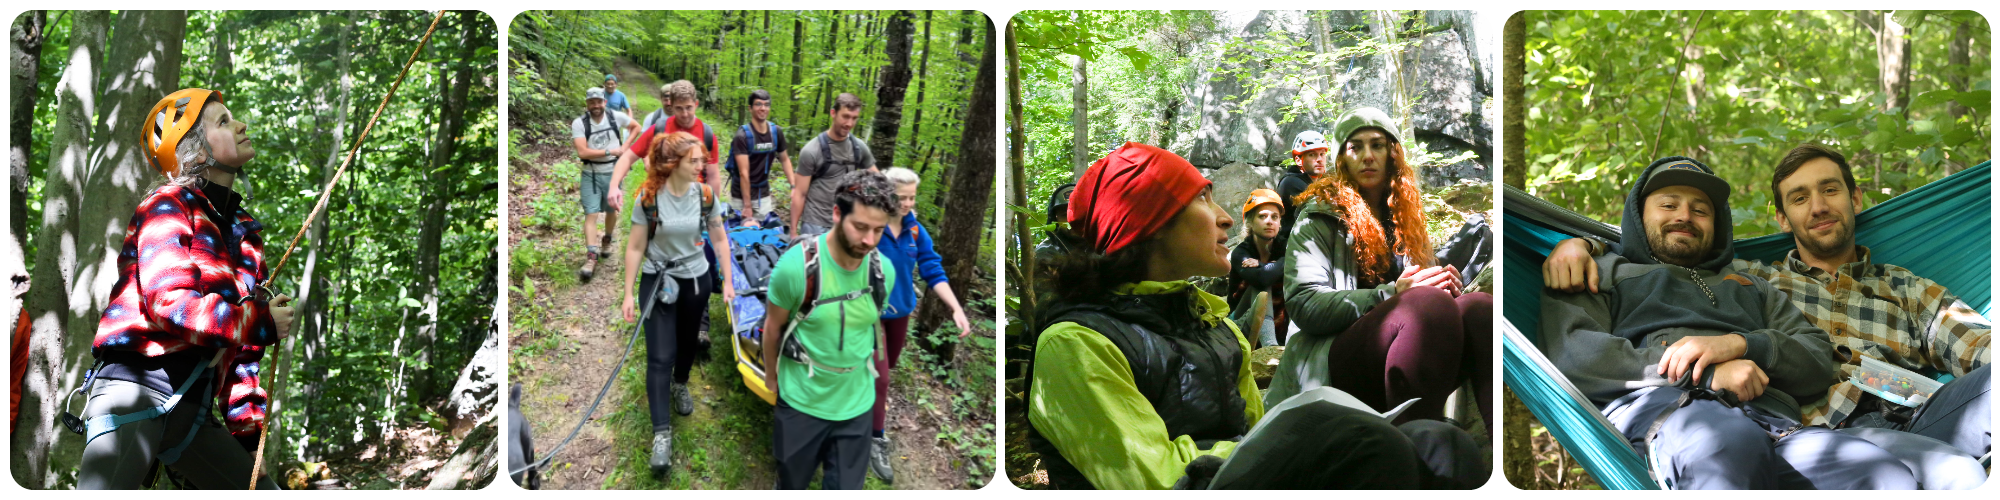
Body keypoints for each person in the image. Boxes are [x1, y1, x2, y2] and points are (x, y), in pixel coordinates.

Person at [1026, 142, 1483, 490]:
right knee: (1356, 437)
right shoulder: (1074, 344)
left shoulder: (1217, 329)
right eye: (1203, 199)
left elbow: (1254, 434)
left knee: (1440, 441)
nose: (1226, 217)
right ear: (1149, 223)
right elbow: (1155, 480)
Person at [1542, 144, 1990, 474]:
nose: (1817, 207)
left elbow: (1979, 342)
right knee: (1952, 475)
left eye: (1830, 190)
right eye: (1799, 198)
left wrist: (1738, 344)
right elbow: (1665, 250)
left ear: (1854, 199)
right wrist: (1576, 244)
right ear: (1782, 219)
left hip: (1929, 415)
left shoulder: (1908, 287)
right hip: (1831, 430)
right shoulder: (1754, 277)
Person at [78, 88, 291, 489]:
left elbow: (240, 355)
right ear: (193, 153)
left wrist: (247, 439)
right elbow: (170, 304)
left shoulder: (244, 235)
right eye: (224, 122)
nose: (241, 125)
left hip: (191, 412)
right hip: (135, 390)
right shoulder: (167, 204)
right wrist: (259, 321)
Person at [1273, 107, 1492, 432]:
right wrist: (1392, 295)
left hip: (1409, 348)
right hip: (1331, 363)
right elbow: (1304, 305)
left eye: (1376, 145)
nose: (1367, 156)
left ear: (1393, 154)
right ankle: (1416, 447)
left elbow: (1422, 295)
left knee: (1479, 309)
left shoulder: (1407, 219)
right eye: (1355, 147)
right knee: (1426, 305)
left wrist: (1443, 284)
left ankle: (1484, 444)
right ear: (1341, 159)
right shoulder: (1318, 216)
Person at [760, 170, 900, 490]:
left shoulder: (883, 272)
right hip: (801, 402)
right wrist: (771, 377)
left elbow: (867, 325)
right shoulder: (796, 268)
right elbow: (773, 328)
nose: (869, 240)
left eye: (878, 230)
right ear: (837, 214)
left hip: (856, 406)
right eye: (860, 227)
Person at [618, 131, 736, 477]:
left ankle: (680, 383)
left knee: (687, 343)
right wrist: (628, 293)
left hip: (696, 281)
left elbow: (719, 237)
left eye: (702, 159)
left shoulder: (706, 196)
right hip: (658, 281)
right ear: (672, 164)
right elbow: (636, 247)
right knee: (659, 356)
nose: (702, 165)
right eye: (694, 160)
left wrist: (727, 280)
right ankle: (661, 435)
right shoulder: (648, 198)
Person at [865, 167, 973, 483]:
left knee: (881, 372)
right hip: (868, 314)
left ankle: (860, 409)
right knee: (881, 378)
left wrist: (955, 307)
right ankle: (874, 438)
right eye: (901, 197)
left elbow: (932, 269)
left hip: (900, 316)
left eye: (912, 197)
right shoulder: (871, 224)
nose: (907, 203)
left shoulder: (915, 232)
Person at [613, 80, 727, 352]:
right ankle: (665, 314)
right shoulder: (661, 129)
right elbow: (628, 157)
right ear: (670, 106)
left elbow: (713, 175)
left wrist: (712, 207)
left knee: (701, 261)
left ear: (696, 104)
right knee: (663, 258)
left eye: (689, 108)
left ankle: (700, 324)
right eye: (679, 109)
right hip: (661, 206)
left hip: (696, 207)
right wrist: (613, 185)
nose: (685, 114)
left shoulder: (707, 134)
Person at [571, 86, 638, 282]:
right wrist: (610, 151)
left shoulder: (615, 116)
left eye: (599, 102)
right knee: (591, 214)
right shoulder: (580, 123)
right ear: (587, 104)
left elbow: (636, 127)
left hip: (613, 173)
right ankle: (591, 257)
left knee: (611, 211)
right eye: (592, 102)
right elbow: (582, 152)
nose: (596, 106)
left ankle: (607, 239)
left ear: (604, 102)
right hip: (590, 173)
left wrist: (625, 147)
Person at [791, 93, 877, 240]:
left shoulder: (859, 148)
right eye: (845, 116)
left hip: (845, 223)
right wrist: (793, 232)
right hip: (815, 223)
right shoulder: (812, 150)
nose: (849, 123)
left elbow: (877, 182)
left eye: (854, 118)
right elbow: (799, 193)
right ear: (833, 113)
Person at [1226, 188, 1287, 348]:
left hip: (1279, 320)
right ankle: (1270, 348)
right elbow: (1262, 279)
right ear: (1251, 222)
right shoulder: (1241, 252)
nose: (1269, 221)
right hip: (1240, 322)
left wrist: (1262, 265)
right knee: (1261, 286)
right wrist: (1283, 262)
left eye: (1275, 217)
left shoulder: (1285, 246)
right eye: (1262, 216)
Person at [729, 89, 795, 226]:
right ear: (750, 108)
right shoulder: (742, 136)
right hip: (740, 195)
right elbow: (743, 173)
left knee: (765, 235)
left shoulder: (776, 132)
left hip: (762, 193)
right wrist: (747, 206)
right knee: (740, 236)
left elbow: (784, 159)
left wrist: (794, 186)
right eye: (758, 104)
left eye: (766, 104)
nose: (763, 108)